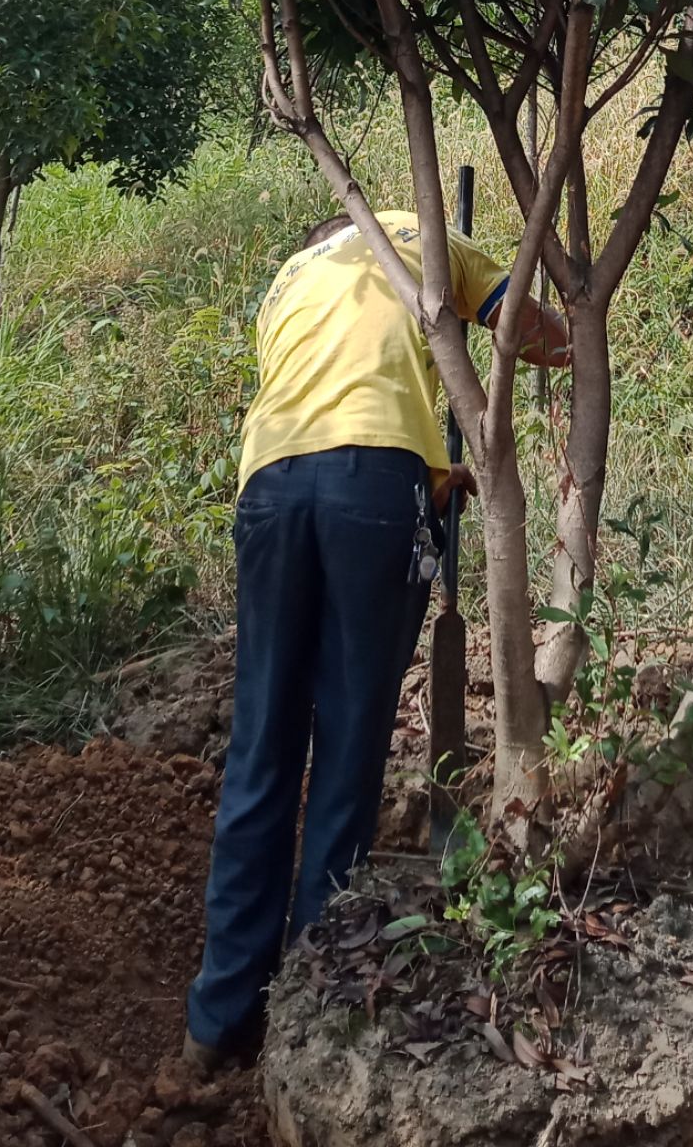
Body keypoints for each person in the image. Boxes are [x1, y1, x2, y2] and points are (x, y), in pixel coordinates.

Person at [183, 204, 568, 1068]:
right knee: (351, 737)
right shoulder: (417, 235)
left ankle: (218, 1021)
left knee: (263, 744)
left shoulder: (284, 286)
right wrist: (584, 340)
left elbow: (325, 414)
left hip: (271, 488)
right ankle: (317, 1004)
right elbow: (521, 328)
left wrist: (430, 473)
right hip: (373, 482)